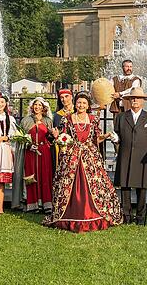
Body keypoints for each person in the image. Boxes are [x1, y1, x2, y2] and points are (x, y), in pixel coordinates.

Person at [43, 92, 122, 231]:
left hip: (89, 156)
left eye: (84, 103)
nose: (81, 105)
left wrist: (108, 135)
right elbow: (64, 138)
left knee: (94, 184)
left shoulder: (93, 119)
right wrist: (58, 137)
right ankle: (70, 214)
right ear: (75, 103)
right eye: (79, 102)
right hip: (72, 156)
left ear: (88, 105)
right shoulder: (67, 119)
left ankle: (94, 213)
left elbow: (96, 139)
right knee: (68, 183)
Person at [110, 87, 147, 225]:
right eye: (132, 98)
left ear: (143, 100)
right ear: (128, 100)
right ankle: (126, 216)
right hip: (125, 156)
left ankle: (140, 217)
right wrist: (115, 139)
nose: (135, 100)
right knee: (125, 187)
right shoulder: (121, 117)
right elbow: (117, 135)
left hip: (142, 158)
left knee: (142, 188)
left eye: (138, 98)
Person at [19, 97, 57, 213]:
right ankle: (32, 204)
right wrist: (29, 145)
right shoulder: (26, 120)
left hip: (44, 151)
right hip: (30, 151)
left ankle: (46, 204)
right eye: (35, 105)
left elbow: (50, 139)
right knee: (31, 176)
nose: (37, 107)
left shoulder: (47, 121)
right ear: (32, 107)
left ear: (44, 107)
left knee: (45, 175)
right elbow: (21, 137)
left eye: (40, 105)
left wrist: (54, 135)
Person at [52, 88, 74, 169]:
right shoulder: (57, 115)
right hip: (61, 147)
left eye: (66, 96)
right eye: (62, 97)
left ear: (71, 97)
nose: (64, 99)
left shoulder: (77, 112)